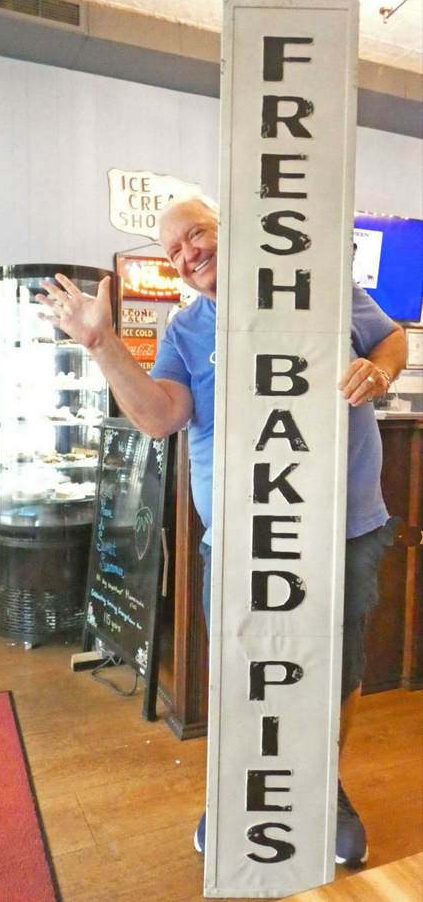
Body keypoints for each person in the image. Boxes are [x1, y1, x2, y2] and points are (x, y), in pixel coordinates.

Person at [37, 196, 406, 870]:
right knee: (242, 668)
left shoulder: (320, 286)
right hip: (243, 534)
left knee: (337, 665)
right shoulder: (186, 328)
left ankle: (320, 786)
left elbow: (389, 336)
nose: (186, 253)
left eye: (195, 234)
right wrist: (100, 342)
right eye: (172, 249)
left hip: (343, 525)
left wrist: (377, 370)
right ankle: (245, 789)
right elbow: (157, 416)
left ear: (228, 227)